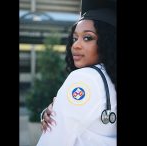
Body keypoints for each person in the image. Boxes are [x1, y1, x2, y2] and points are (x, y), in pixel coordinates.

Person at [37, 0, 117, 145]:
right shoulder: (111, 78)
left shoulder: (84, 78)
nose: (76, 45)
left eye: (88, 38)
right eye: (75, 38)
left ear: (107, 42)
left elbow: (52, 141)